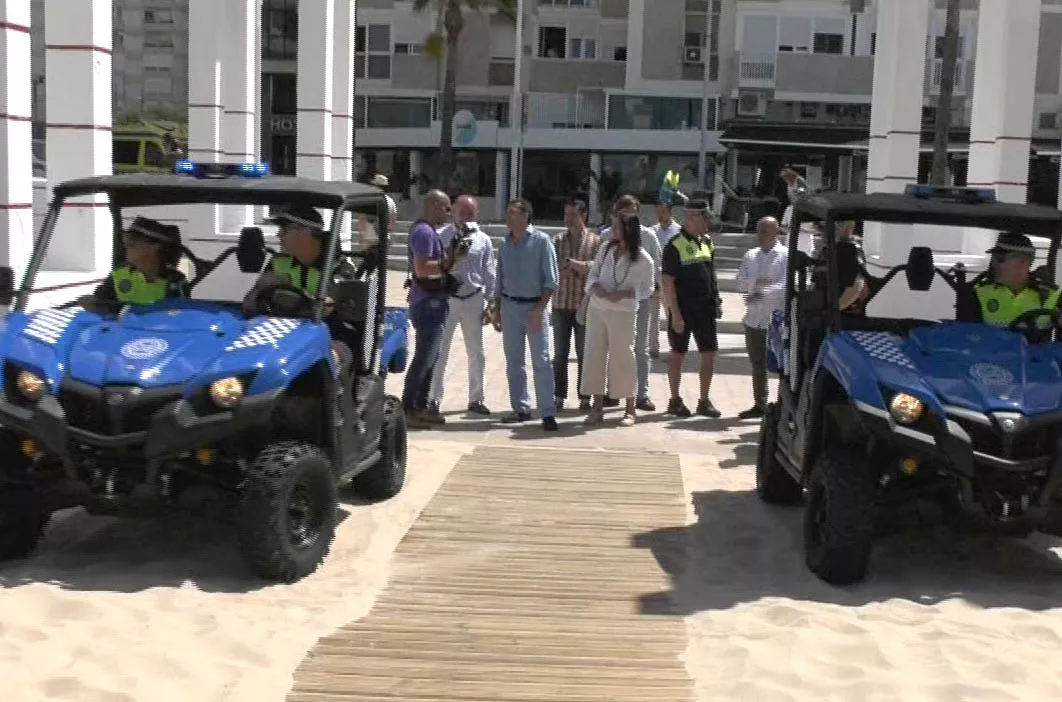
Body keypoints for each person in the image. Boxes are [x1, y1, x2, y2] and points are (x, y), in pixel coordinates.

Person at [242, 204, 355, 405]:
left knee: (323, 364)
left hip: (330, 338)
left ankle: (328, 416)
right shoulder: (278, 263)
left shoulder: (341, 269)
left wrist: (316, 303)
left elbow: (336, 311)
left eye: (284, 230)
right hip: (280, 337)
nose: (279, 236)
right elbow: (250, 303)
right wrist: (263, 292)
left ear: (306, 232)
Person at [489, 198, 560, 431]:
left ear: (525, 216)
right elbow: (499, 278)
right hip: (509, 307)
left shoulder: (542, 242)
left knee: (541, 360)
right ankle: (521, 408)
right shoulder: (505, 244)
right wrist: (497, 309)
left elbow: (551, 281)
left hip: (534, 307)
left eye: (512, 213)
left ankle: (548, 412)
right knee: (514, 360)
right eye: (508, 212)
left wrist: (540, 310)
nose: (508, 217)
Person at [581, 212, 655, 427]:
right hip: (597, 309)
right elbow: (593, 274)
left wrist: (624, 294)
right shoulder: (605, 249)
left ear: (628, 230)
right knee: (594, 355)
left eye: (617, 226)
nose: (613, 230)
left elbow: (648, 288)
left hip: (623, 313)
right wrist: (596, 289)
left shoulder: (643, 258)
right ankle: (597, 408)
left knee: (623, 358)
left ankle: (630, 409)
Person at [426, 194, 496, 417]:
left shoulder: (483, 240)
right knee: (440, 351)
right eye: (462, 212)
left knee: (476, 352)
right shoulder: (441, 236)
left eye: (470, 214)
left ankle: (476, 398)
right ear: (453, 211)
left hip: (474, 298)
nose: (466, 217)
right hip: (448, 299)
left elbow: (489, 272)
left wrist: (491, 303)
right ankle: (433, 399)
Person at [661, 199, 723, 418]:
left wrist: (717, 300)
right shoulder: (674, 245)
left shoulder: (707, 242)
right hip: (683, 310)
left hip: (705, 309)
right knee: (678, 353)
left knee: (709, 353)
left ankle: (704, 401)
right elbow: (667, 282)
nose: (708, 222)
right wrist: (675, 314)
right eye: (705, 217)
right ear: (692, 218)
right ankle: (675, 400)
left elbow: (711, 275)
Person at [599, 194, 662, 412]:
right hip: (611, 301)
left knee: (640, 348)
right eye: (622, 211)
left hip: (640, 300)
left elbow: (656, 270)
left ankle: (642, 394)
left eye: (632, 210)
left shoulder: (649, 237)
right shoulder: (607, 236)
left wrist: (656, 294)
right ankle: (614, 391)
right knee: (613, 346)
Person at [402, 190, 457, 428]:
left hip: (432, 301)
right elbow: (423, 269)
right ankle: (409, 407)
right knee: (424, 358)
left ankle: (421, 406)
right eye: (446, 208)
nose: (449, 213)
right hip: (428, 303)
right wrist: (448, 263)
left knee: (431, 358)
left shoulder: (428, 231)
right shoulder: (424, 232)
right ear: (433, 205)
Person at [735, 216, 787, 419]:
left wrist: (761, 290)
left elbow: (784, 286)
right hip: (753, 319)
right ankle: (760, 404)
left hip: (774, 321)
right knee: (758, 365)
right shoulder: (751, 255)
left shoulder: (785, 256)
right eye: (759, 230)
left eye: (766, 230)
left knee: (782, 366)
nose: (762, 234)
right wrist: (756, 286)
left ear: (776, 232)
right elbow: (740, 282)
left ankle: (783, 406)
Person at [552, 198, 601, 413]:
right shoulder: (557, 241)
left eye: (573, 215)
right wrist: (580, 269)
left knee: (585, 353)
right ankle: (558, 396)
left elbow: (596, 270)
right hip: (561, 304)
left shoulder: (596, 242)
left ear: (584, 216)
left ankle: (584, 397)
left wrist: (572, 265)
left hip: (584, 306)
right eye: (566, 215)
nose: (568, 219)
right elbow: (552, 270)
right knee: (560, 354)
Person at [956, 231, 1061, 326]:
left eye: (1000, 259)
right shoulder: (980, 292)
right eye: (993, 258)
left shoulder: (1051, 295)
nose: (993, 263)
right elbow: (968, 335)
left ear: (1023, 262)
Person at [85, 216, 189, 309]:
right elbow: (99, 308)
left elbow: (180, 318)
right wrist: (91, 304)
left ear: (155, 247)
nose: (126, 246)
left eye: (132, 241)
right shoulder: (118, 275)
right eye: (125, 241)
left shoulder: (175, 281)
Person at [650, 199, 682, 359]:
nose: (660, 215)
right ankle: (653, 348)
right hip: (654, 280)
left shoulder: (679, 232)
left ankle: (674, 347)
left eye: (663, 212)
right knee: (653, 317)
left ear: (670, 212)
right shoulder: (651, 232)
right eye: (658, 212)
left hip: (671, 282)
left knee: (671, 315)